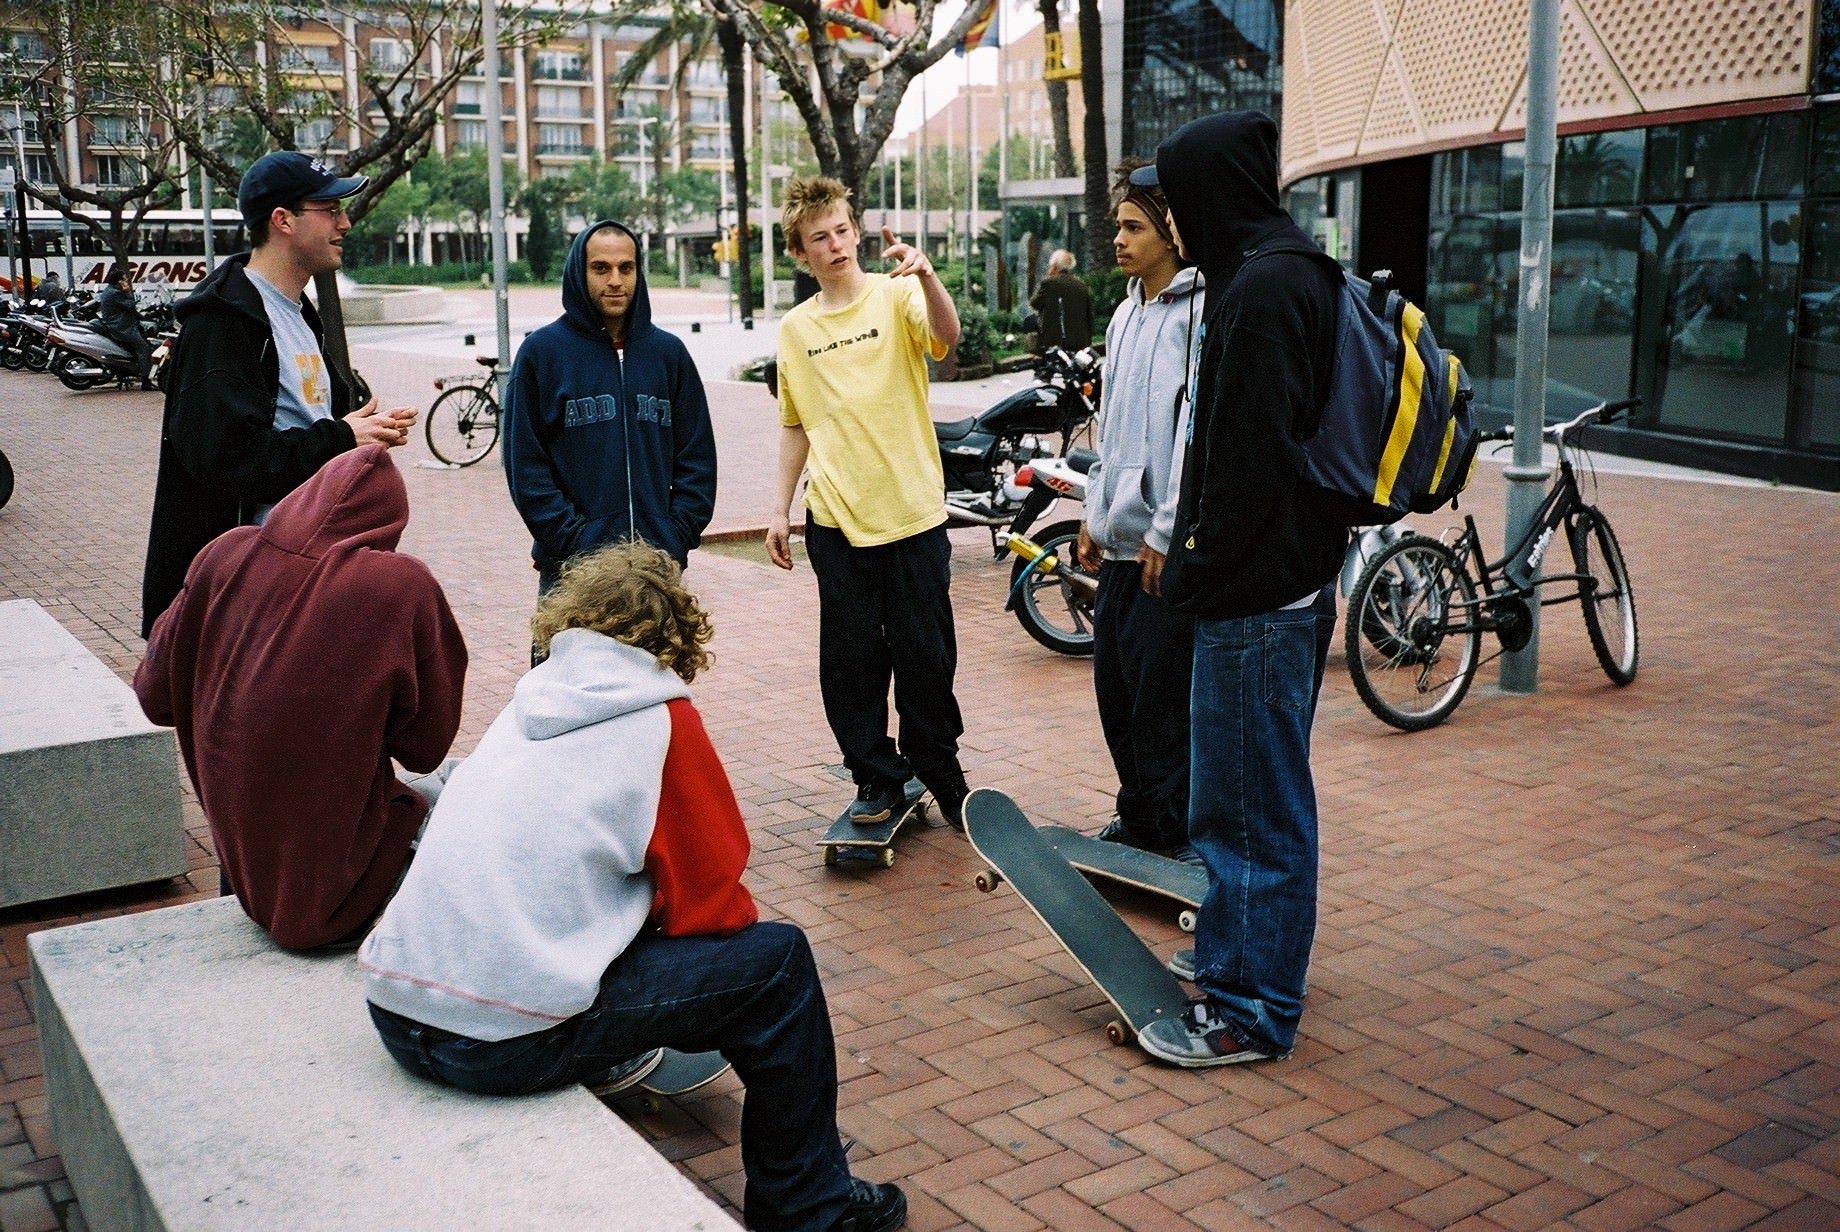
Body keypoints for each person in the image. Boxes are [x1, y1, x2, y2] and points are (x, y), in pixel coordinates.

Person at [360, 543, 906, 1232]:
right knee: (780, 968)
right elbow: (713, 905)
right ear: (677, 636)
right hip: (498, 1041)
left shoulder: (529, 703)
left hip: (397, 1007)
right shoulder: (660, 718)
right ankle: (810, 1210)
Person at [1136, 111, 1346, 1068]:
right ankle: (1234, 955)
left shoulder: (1263, 288)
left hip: (1255, 599)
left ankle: (1250, 1009)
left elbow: (1248, 464)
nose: (1169, 218)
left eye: (1175, 198)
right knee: (1240, 802)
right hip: (1277, 586)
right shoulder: (1277, 267)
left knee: (1252, 811)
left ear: (1210, 193)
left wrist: (1194, 569)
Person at [134, 444, 468, 951]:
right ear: (387, 527)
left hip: (247, 874)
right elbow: (425, 748)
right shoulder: (400, 586)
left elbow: (154, 697)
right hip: (350, 889)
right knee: (479, 785)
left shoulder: (222, 554)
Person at [140, 150, 415, 639]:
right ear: (283, 220)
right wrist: (342, 438)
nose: (346, 223)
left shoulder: (299, 315)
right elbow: (226, 459)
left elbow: (303, 431)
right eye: (330, 210)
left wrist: (359, 434)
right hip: (238, 590)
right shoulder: (221, 326)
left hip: (298, 574)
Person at [764, 176, 970, 827]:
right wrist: (779, 508)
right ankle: (876, 777)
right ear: (802, 252)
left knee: (926, 661)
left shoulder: (897, 293)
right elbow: (794, 422)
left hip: (911, 515)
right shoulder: (796, 330)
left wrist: (929, 275)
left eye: (842, 230)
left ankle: (938, 768)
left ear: (856, 230)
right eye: (819, 237)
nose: (835, 244)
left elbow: (947, 336)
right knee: (850, 667)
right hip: (838, 524)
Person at [1075, 162, 1202, 858]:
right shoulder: (1125, 313)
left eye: (1134, 227)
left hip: (1162, 547)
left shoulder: (1201, 314)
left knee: (1161, 709)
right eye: (1118, 225)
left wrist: (1166, 528)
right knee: (1116, 697)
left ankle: (1174, 833)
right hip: (1119, 539)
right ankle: (1141, 816)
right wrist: (1096, 513)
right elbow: (1112, 425)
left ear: (1171, 235)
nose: (1119, 239)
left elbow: (1194, 431)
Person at [503, 220, 716, 594]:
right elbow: (526, 465)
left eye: (626, 268)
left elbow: (696, 458)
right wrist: (575, 542)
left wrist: (675, 535)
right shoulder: (543, 354)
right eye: (601, 268)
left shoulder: (668, 355)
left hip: (656, 568)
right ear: (579, 272)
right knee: (569, 655)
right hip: (571, 573)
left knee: (657, 656)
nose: (615, 280)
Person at [97, 265, 155, 390]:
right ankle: (146, 380)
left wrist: (142, 316)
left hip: (118, 324)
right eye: (124, 279)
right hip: (121, 327)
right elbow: (130, 306)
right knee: (144, 348)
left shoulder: (109, 290)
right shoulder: (116, 293)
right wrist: (128, 291)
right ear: (119, 281)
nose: (126, 281)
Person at [1029, 248, 1093, 354]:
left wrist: (1049, 276)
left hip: (1054, 344)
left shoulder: (1048, 283)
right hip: (1080, 344)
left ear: (1054, 266)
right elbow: (1089, 316)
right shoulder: (1082, 285)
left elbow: (1034, 303)